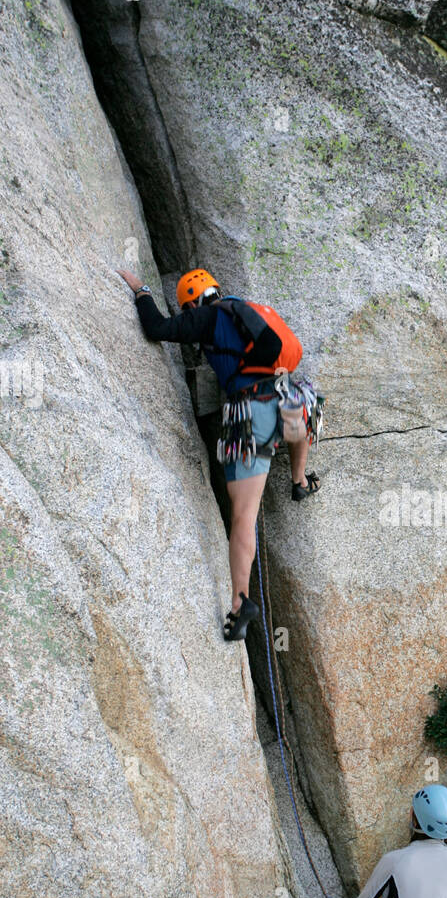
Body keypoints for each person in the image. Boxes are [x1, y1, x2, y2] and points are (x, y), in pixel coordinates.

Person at [118, 267, 319, 640]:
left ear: (191, 302)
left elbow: (157, 329)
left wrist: (142, 290)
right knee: (301, 418)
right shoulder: (247, 308)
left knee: (243, 516)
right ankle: (299, 479)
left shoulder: (206, 318)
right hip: (290, 397)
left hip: (253, 411)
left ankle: (241, 604)